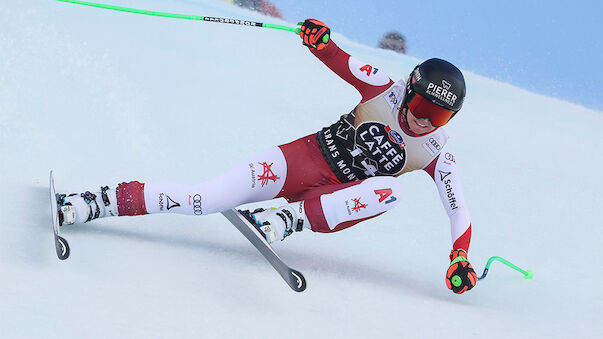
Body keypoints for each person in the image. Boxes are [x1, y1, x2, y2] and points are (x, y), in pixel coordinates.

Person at [56, 19, 477, 294]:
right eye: (422, 110)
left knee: (391, 191)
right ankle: (94, 202)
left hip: (330, 204)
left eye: (438, 118)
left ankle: (286, 220)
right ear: (409, 90)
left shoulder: (437, 153)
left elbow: (458, 210)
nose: (424, 123)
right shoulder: (383, 88)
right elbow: (337, 57)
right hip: (302, 160)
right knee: (203, 199)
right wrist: (319, 40)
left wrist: (460, 257)